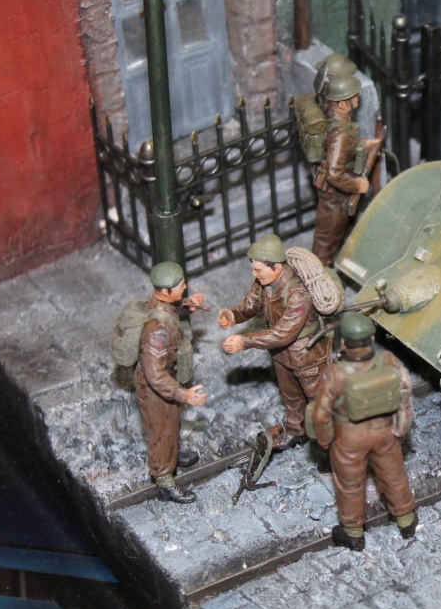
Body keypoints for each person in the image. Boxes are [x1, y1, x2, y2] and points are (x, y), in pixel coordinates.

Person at [312, 313, 416, 551]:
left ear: (344, 343)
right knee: (394, 476)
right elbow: (404, 394)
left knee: (350, 485)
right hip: (384, 432)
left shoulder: (335, 373)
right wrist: (400, 429)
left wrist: (326, 441)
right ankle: (406, 520)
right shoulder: (388, 360)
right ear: (372, 339)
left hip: (349, 438)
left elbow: (320, 414)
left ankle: (353, 534)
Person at [219, 234, 331, 449]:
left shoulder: (299, 294)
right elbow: (251, 304)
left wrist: (245, 341)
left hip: (306, 355)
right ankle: (296, 431)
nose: (254, 274)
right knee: (290, 395)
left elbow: (283, 333)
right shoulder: (264, 282)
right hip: (281, 353)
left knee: (319, 402)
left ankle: (329, 444)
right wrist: (233, 315)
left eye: (258, 270)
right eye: (253, 269)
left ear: (277, 268)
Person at [136, 261, 210, 504]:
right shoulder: (157, 331)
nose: (185, 287)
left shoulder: (162, 304)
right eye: (180, 286)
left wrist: (189, 304)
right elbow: (155, 375)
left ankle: (172, 455)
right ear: (166, 291)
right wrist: (184, 395)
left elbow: (174, 310)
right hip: (157, 387)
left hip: (169, 378)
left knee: (172, 423)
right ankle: (164, 481)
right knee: (160, 431)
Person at [311, 54, 382, 266]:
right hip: (335, 195)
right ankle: (318, 277)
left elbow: (345, 146)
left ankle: (344, 265)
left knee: (345, 229)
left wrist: (364, 144)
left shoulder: (336, 116)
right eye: (355, 97)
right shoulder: (339, 133)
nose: (358, 100)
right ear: (343, 104)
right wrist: (357, 185)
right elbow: (334, 174)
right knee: (326, 241)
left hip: (341, 191)